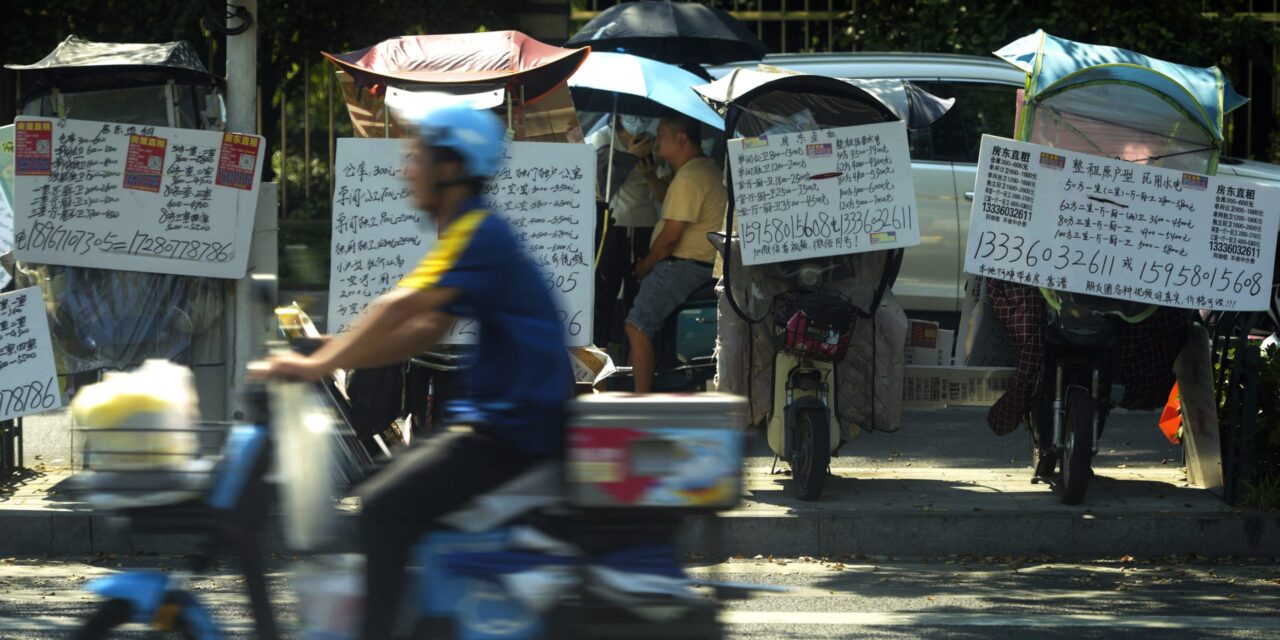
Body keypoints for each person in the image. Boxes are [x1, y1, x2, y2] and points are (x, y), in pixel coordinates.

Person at [254, 103, 572, 639]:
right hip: (506, 423)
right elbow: (425, 330)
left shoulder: (478, 233)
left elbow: (397, 308)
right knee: (387, 482)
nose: (407, 170)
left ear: (451, 167)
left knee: (381, 505)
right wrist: (334, 350)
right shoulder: (470, 235)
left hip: (515, 429)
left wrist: (319, 364)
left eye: (417, 158)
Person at [625, 115, 726, 393]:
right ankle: (636, 380)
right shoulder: (698, 170)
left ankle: (640, 400)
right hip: (700, 264)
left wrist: (644, 266)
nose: (656, 142)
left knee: (637, 325)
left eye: (661, 136)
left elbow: (670, 238)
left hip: (685, 265)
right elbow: (669, 198)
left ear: (681, 139)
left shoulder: (692, 176)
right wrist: (649, 176)